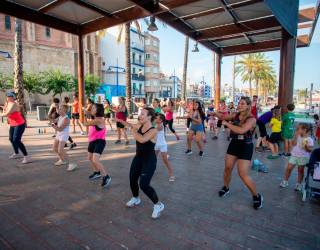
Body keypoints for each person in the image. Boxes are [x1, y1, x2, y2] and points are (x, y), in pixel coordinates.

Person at [213, 96, 263, 209]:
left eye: (242, 104)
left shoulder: (252, 119)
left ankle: (256, 196)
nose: (239, 105)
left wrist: (227, 124)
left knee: (243, 174)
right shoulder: (235, 115)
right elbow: (223, 116)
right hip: (234, 143)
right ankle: (226, 187)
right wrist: (215, 113)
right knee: (227, 168)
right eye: (239, 103)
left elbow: (242, 130)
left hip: (246, 146)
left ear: (248, 106)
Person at [117, 108, 164, 219]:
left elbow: (142, 139)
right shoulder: (139, 125)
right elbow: (129, 125)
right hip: (138, 158)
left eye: (142, 114)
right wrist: (120, 120)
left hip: (149, 161)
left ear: (149, 117)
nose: (140, 115)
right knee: (132, 179)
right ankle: (136, 198)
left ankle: (158, 205)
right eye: (139, 113)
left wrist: (132, 130)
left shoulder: (153, 130)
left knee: (144, 184)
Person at [81, 103, 111, 188]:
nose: (91, 109)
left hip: (100, 142)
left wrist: (84, 113)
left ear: (98, 111)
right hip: (93, 141)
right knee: (90, 158)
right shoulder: (95, 117)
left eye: (93, 108)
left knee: (95, 160)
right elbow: (89, 112)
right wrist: (85, 110)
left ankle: (106, 176)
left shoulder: (99, 120)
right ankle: (97, 172)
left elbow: (85, 123)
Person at [280, 123, 313, 191]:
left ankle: (299, 184)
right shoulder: (298, 136)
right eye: (297, 128)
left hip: (303, 157)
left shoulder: (309, 139)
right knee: (288, 168)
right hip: (294, 155)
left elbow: (310, 150)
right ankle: (285, 181)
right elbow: (293, 143)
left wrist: (306, 146)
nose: (297, 130)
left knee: (300, 170)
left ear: (304, 130)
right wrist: (295, 136)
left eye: (298, 129)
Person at [0, 92, 30, 164]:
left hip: (20, 124)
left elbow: (6, 114)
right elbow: (5, 111)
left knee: (16, 140)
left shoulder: (14, 104)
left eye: (10, 96)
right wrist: (4, 108)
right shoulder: (7, 103)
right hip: (12, 124)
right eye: (7, 96)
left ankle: (26, 156)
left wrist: (3, 112)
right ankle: (17, 153)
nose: (8, 97)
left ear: (13, 97)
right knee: (11, 139)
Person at [52, 104, 76, 171]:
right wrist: (52, 118)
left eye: (60, 109)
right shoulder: (60, 117)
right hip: (59, 134)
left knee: (60, 150)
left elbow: (60, 129)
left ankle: (72, 164)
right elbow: (53, 121)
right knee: (54, 148)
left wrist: (54, 126)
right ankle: (62, 160)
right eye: (58, 108)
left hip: (64, 135)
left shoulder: (66, 119)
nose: (58, 110)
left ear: (64, 110)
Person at [154, 113, 175, 181]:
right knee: (153, 159)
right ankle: (152, 170)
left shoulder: (160, 126)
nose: (155, 118)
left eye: (156, 118)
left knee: (165, 160)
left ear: (160, 120)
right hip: (156, 145)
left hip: (162, 145)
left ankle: (171, 174)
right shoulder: (156, 124)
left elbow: (153, 131)